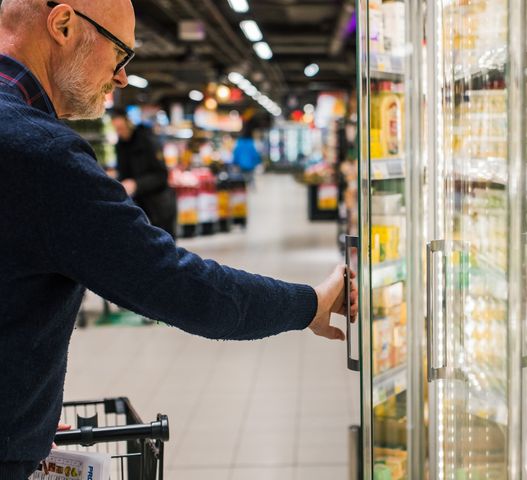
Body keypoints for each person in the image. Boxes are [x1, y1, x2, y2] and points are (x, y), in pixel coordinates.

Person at [0, 1, 357, 477]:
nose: (122, 77)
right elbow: (178, 286)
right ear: (64, 25)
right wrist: (308, 303)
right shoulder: (39, 154)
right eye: (120, 52)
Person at [110, 109, 177, 238]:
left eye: (121, 128)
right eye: (116, 129)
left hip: (160, 205)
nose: (120, 132)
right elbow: (123, 172)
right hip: (140, 206)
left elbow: (162, 176)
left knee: (165, 246)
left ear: (129, 123)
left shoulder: (147, 139)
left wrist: (136, 184)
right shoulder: (120, 145)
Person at [232, 107, 262, 184]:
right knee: (250, 180)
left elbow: (235, 154)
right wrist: (258, 163)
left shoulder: (239, 142)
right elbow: (255, 155)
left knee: (242, 181)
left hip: (241, 166)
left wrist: (235, 163)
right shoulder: (252, 143)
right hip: (250, 166)